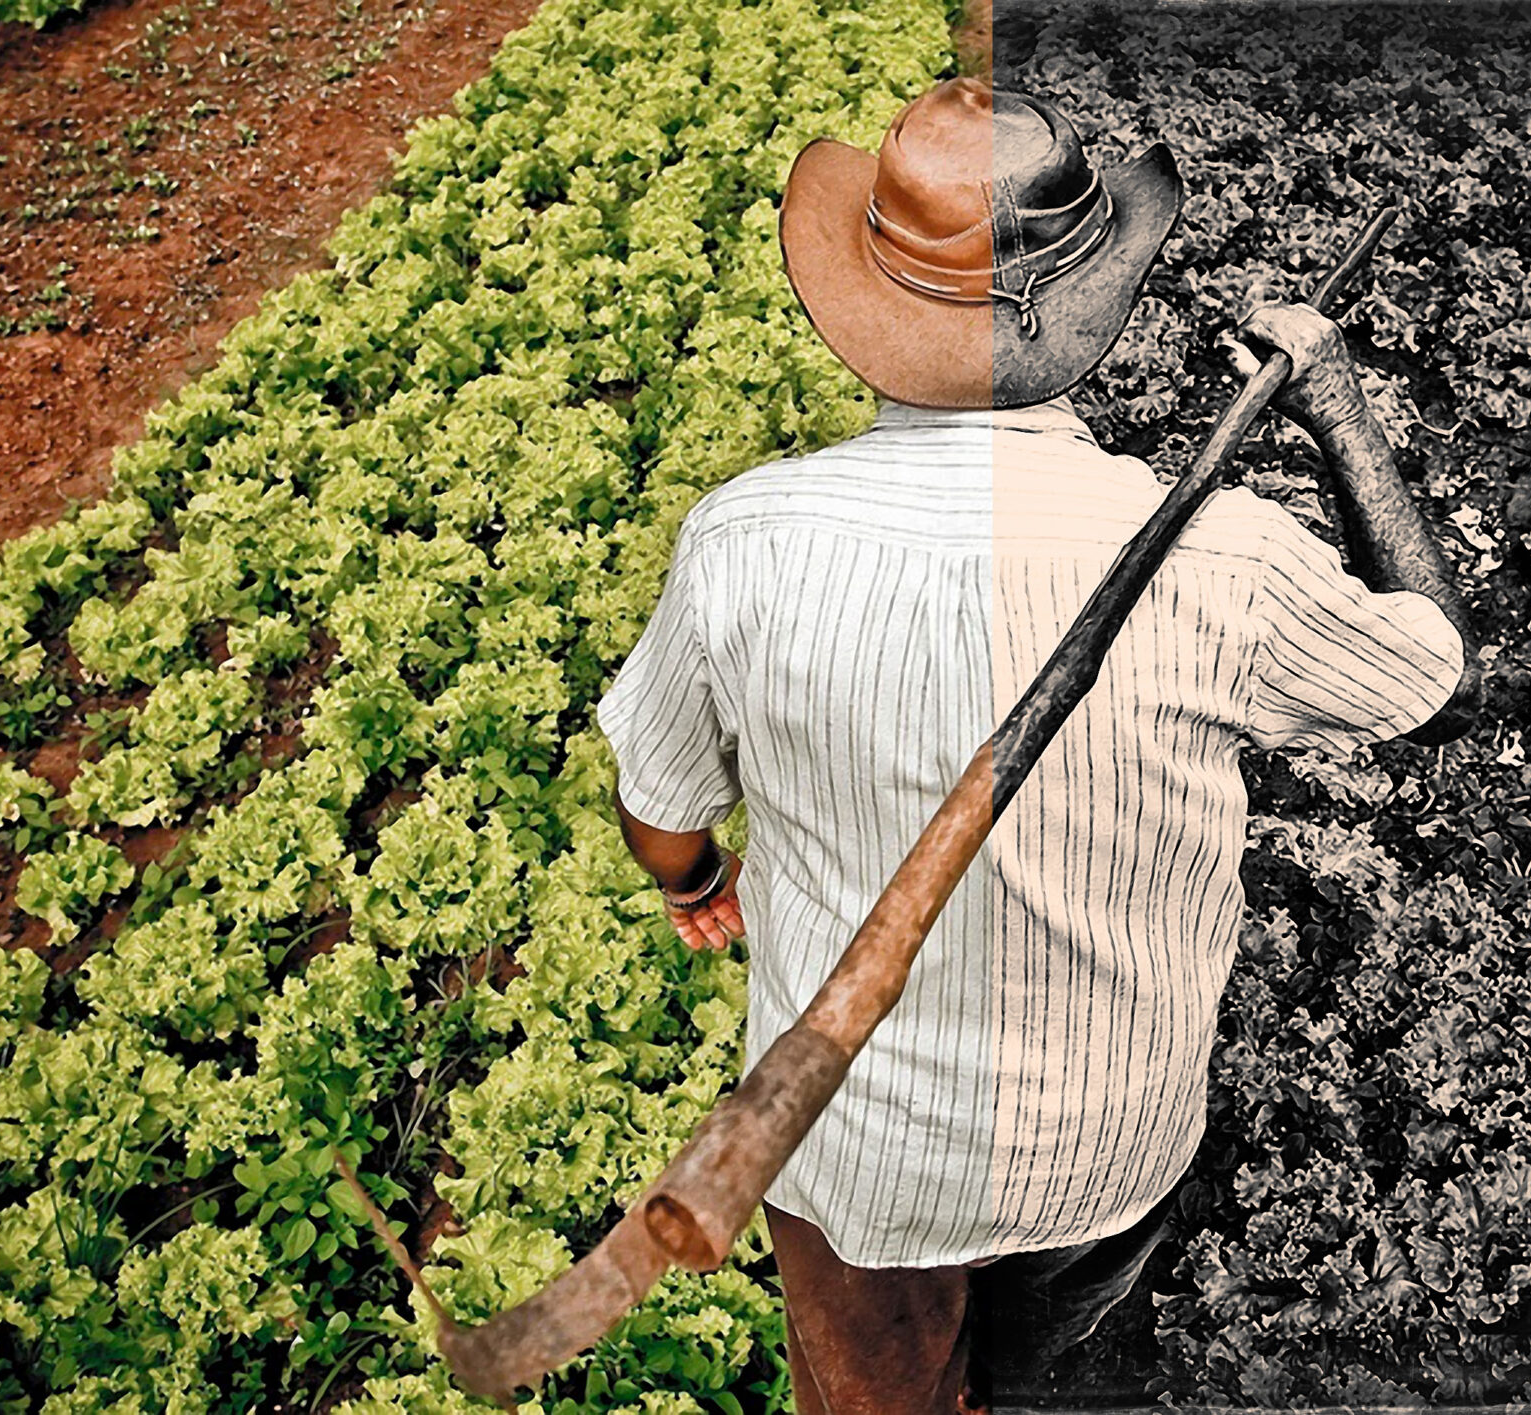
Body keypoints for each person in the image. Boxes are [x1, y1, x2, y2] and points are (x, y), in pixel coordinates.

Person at [592, 72, 1479, 1415]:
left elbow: (660, 804)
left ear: (865, 311)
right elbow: (1438, 677)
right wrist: (1340, 412)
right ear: (1089, 312)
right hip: (1105, 1147)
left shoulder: (745, 543)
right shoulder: (1225, 558)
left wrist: (694, 882)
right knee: (1053, 1369)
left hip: (853, 1161)